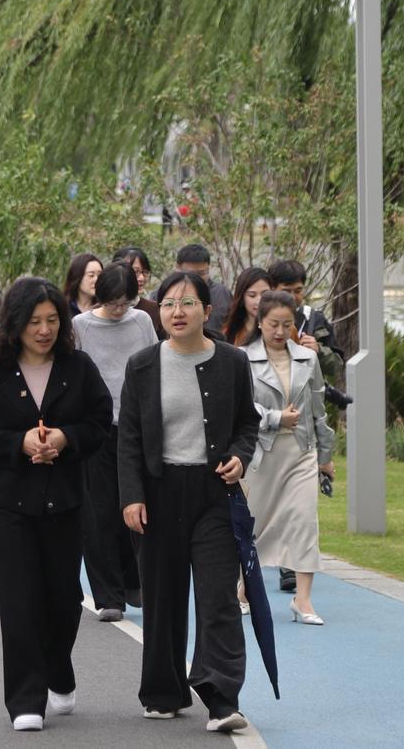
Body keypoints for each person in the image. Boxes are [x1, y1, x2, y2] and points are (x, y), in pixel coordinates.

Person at [0, 277, 112, 732]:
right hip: (8, 505)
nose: (44, 330)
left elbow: (100, 421)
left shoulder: (78, 367)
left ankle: (58, 669)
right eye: (34, 322)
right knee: (17, 602)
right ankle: (26, 698)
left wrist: (65, 438)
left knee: (64, 600)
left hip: (64, 502)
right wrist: (19, 443)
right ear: (15, 324)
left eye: (52, 320)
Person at [118, 270, 260, 732]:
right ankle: (164, 690)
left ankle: (221, 697)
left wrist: (239, 457)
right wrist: (132, 496)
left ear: (207, 310)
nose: (177, 312)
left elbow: (247, 423)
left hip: (213, 493)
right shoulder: (142, 365)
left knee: (219, 598)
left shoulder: (233, 361)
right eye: (168, 304)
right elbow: (129, 438)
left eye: (187, 303)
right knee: (162, 598)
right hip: (159, 492)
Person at [241, 291, 335, 624]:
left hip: (301, 451)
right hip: (261, 453)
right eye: (273, 324)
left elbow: (318, 409)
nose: (280, 331)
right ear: (260, 322)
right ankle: (241, 590)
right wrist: (276, 417)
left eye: (287, 324)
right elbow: (242, 408)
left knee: (305, 520)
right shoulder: (242, 359)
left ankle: (303, 599)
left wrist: (325, 456)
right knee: (252, 523)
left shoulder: (307, 359)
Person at [71, 263, 157, 621]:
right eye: (113, 303)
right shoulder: (81, 326)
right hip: (98, 427)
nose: (120, 309)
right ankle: (109, 597)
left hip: (136, 426)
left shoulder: (142, 321)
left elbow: (155, 365)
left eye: (126, 302)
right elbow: (74, 372)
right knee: (99, 512)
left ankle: (135, 580)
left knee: (136, 506)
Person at [269, 258, 352, 408]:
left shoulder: (314, 319)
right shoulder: (259, 320)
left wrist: (318, 351)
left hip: (307, 407)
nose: (293, 297)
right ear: (272, 289)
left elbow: (337, 365)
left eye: (298, 291)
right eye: (286, 291)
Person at [157, 243, 232, 333]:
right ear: (178, 268)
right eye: (191, 274)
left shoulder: (222, 293)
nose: (196, 279)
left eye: (201, 273)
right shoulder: (164, 294)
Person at [114, 246, 165, 338]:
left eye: (145, 272)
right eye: (135, 272)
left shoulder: (155, 309)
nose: (141, 278)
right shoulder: (101, 310)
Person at [221, 267, 272, 346]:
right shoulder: (228, 333)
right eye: (252, 295)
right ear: (242, 298)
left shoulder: (285, 328)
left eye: (265, 293)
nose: (259, 301)